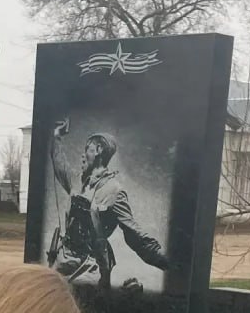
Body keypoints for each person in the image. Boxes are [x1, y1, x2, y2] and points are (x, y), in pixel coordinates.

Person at [47, 118, 171, 289]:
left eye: (87, 149)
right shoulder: (77, 181)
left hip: (91, 266)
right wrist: (56, 137)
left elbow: (135, 237)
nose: (83, 155)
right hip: (64, 259)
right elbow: (60, 166)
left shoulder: (114, 191)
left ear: (99, 150)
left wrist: (170, 263)